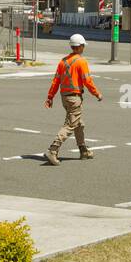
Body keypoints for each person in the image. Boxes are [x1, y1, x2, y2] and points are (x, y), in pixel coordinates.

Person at [43, 33, 102, 165]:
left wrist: (50, 97)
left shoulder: (63, 62)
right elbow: (87, 81)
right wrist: (97, 94)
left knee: (79, 123)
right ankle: (52, 150)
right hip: (74, 98)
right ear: (80, 46)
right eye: (83, 46)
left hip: (64, 97)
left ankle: (83, 150)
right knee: (70, 125)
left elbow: (55, 81)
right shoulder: (81, 61)